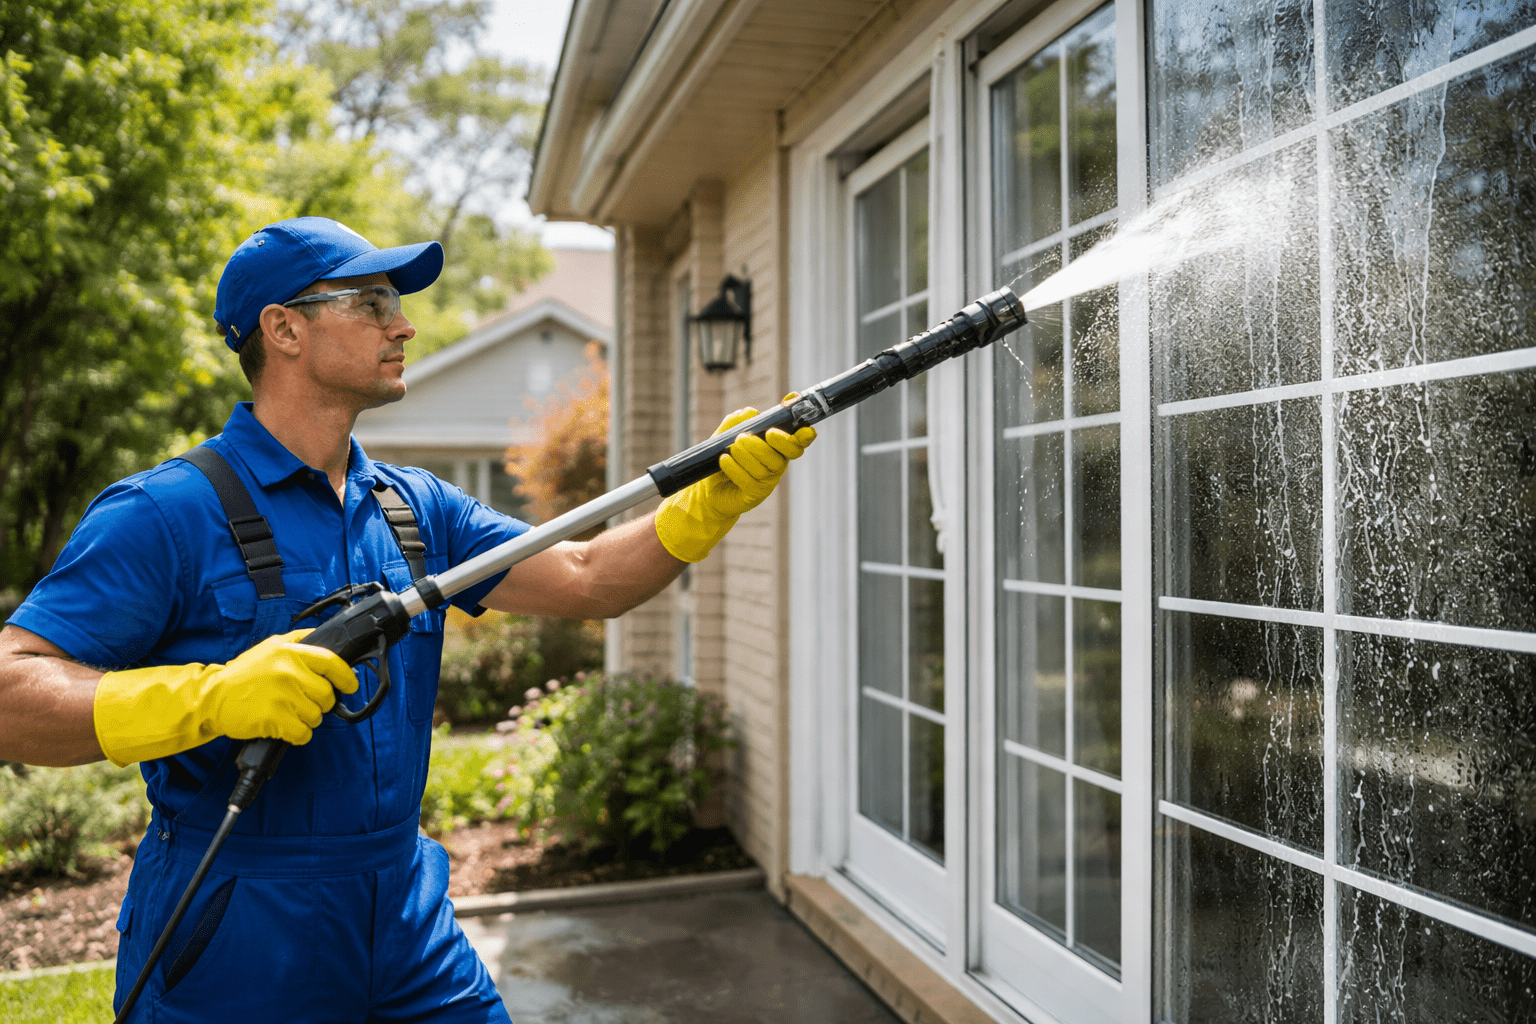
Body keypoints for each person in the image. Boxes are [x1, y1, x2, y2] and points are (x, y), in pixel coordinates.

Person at [0, 216, 815, 1023]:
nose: (404, 323)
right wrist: (208, 699)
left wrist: (707, 503)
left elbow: (587, 575)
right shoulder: (167, 513)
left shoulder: (412, 508)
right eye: (371, 301)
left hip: (406, 919)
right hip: (237, 928)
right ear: (283, 329)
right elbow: (11, 693)